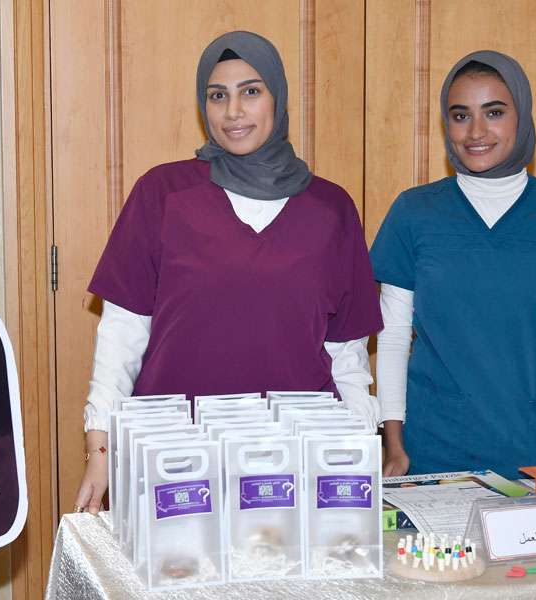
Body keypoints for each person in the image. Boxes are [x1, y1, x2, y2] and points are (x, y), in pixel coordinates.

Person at [73, 31, 382, 514]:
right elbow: (121, 337)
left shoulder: (331, 208)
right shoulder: (162, 193)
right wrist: (101, 450)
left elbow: (347, 355)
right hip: (175, 462)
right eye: (218, 96)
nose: (233, 111)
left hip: (293, 462)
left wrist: (356, 448)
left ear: (277, 98)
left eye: (251, 91)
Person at [370, 50, 536, 480]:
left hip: (535, 452)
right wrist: (395, 445)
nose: (476, 131)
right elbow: (394, 336)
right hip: (432, 451)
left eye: (494, 112)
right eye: (460, 116)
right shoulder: (414, 212)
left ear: (522, 116)